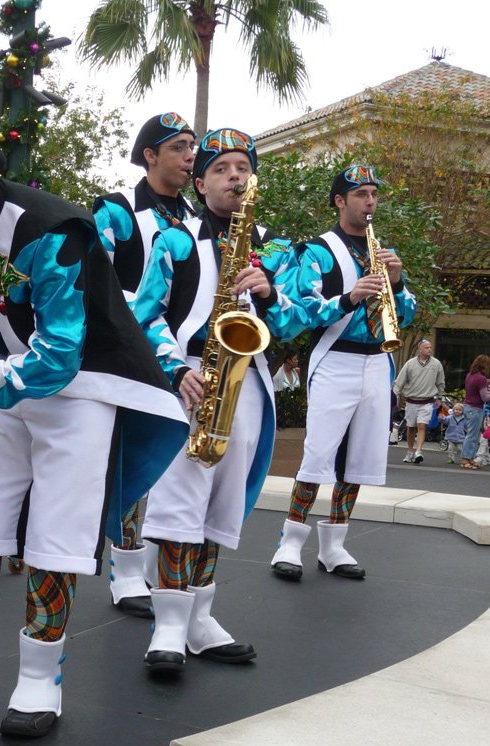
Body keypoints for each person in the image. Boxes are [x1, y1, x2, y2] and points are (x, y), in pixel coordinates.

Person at [0, 109, 188, 740]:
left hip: (83, 392)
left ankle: (41, 681)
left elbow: (59, 357)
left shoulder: (51, 230)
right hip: (10, 387)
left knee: (55, 540)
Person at [131, 127, 309, 673]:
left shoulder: (272, 249)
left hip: (246, 380)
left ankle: (200, 619)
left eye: (243, 167)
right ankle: (168, 626)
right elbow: (145, 314)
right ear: (201, 183)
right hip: (190, 377)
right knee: (179, 504)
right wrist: (173, 368)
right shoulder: (176, 240)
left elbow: (295, 321)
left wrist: (270, 293)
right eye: (221, 168)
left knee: (222, 505)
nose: (235, 176)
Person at [270, 164, 417, 582]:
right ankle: (289, 543)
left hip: (378, 361)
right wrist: (350, 297)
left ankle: (334, 545)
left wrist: (397, 282)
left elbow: (407, 313)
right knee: (318, 453)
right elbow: (303, 309)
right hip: (335, 356)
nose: (370, 202)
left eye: (374, 194)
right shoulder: (317, 250)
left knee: (361, 457)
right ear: (340, 201)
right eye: (361, 195)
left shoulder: (382, 251)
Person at [93, 112, 197, 617]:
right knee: (134, 459)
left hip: (188, 354)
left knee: (178, 467)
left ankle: (163, 569)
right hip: (131, 353)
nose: (190, 156)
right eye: (178, 147)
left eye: (192, 147)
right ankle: (127, 571)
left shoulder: (198, 220)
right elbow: (98, 280)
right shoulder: (115, 210)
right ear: (149, 155)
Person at [392, 339, 445, 464]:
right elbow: (400, 381)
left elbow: (440, 382)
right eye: (426, 347)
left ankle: (418, 451)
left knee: (422, 425)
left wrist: (439, 397)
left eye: (430, 347)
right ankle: (410, 451)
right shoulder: (410, 364)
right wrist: (395, 395)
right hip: (411, 401)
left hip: (427, 401)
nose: (430, 349)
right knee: (411, 427)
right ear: (420, 349)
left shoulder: (436, 364)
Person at [460, 354, 490, 469]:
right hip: (476, 408)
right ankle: (465, 459)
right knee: (472, 435)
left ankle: (470, 457)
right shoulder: (481, 379)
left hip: (468, 406)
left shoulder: (470, 375)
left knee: (474, 434)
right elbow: (485, 398)